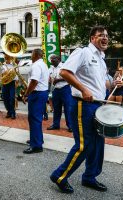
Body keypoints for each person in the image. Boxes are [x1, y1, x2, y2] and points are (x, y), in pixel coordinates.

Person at [50, 25, 109, 193]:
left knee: (98, 143)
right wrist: (83, 89)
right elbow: (65, 72)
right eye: (100, 35)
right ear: (92, 38)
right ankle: (59, 176)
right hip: (83, 105)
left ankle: (90, 177)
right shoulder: (83, 52)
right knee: (84, 145)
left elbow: (100, 83)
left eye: (106, 35)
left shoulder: (101, 59)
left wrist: (113, 84)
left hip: (97, 105)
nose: (105, 38)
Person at [22, 49, 49, 154]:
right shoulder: (43, 64)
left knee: (34, 119)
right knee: (36, 119)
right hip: (41, 93)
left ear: (36, 55)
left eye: (32, 54)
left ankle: (36, 145)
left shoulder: (36, 65)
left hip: (37, 94)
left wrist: (26, 94)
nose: (31, 56)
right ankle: (37, 139)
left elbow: (34, 81)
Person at [47, 54, 72, 132]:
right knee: (56, 108)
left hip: (65, 89)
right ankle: (56, 124)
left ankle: (70, 126)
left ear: (58, 59)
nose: (51, 61)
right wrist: (49, 80)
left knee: (67, 108)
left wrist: (58, 80)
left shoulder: (64, 66)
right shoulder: (51, 68)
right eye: (51, 60)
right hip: (56, 90)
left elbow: (70, 77)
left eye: (53, 59)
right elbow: (49, 78)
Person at [0, 53, 18, 119]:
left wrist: (16, 81)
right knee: (5, 99)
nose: (6, 57)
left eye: (7, 56)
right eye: (5, 57)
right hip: (4, 83)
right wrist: (5, 74)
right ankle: (9, 111)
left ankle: (13, 113)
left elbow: (16, 74)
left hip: (12, 83)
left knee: (12, 98)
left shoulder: (14, 65)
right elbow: (0, 75)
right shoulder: (2, 66)